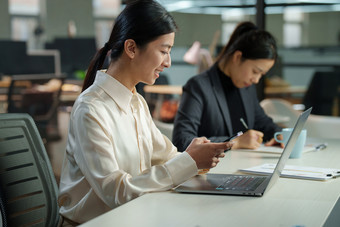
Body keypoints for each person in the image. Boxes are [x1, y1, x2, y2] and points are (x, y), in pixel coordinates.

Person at [58, 0, 232, 225]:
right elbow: (116, 192)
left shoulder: (136, 102)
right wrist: (188, 162)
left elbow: (166, 156)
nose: (168, 62)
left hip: (134, 216)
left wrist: (196, 158)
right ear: (131, 48)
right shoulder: (90, 109)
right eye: (163, 51)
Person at [173, 21, 283, 152]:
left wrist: (279, 134)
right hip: (214, 169)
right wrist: (233, 142)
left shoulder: (246, 87)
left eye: (262, 74)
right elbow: (182, 140)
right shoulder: (198, 87)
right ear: (237, 57)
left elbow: (263, 123)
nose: (256, 80)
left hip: (246, 165)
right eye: (255, 71)